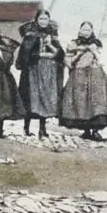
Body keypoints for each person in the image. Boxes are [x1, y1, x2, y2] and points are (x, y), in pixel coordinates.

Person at [16, 9, 64, 138]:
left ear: (49, 21)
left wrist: (52, 49)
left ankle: (42, 129)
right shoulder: (30, 34)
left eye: (46, 19)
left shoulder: (52, 35)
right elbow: (26, 53)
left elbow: (60, 54)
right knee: (31, 98)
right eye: (41, 19)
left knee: (45, 98)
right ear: (37, 20)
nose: (43, 21)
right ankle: (26, 127)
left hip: (48, 71)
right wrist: (40, 54)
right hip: (33, 70)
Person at [59, 22, 107, 140]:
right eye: (84, 30)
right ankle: (86, 130)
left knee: (96, 102)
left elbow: (102, 60)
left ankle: (96, 130)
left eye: (88, 30)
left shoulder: (96, 44)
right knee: (81, 103)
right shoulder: (73, 44)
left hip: (95, 74)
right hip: (79, 75)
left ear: (92, 31)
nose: (86, 32)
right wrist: (80, 53)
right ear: (80, 30)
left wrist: (94, 51)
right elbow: (68, 61)